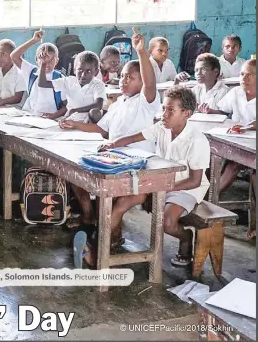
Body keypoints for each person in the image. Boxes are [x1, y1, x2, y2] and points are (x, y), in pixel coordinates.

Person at [75, 86, 210, 268]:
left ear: (186, 113)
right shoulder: (161, 127)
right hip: (159, 181)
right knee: (123, 200)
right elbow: (133, 138)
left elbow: (194, 180)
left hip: (185, 188)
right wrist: (112, 145)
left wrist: (164, 187)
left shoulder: (197, 140)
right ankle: (98, 247)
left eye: (171, 110)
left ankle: (186, 237)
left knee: (167, 222)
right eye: (163, 108)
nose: (164, 114)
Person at [59, 28, 159, 227]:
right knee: (74, 172)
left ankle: (104, 237)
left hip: (135, 162)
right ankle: (89, 216)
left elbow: (150, 83)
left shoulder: (145, 102)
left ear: (141, 82)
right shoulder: (118, 103)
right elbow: (101, 130)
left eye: (130, 77)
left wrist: (140, 51)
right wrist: (74, 124)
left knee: (113, 202)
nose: (123, 80)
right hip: (115, 156)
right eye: (122, 76)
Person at [202, 59, 257, 238]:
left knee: (255, 175)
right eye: (242, 74)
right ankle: (207, 200)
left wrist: (249, 127)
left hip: (252, 144)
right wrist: (211, 112)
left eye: (250, 75)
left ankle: (254, 224)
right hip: (238, 142)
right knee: (231, 165)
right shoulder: (236, 93)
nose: (244, 78)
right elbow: (223, 111)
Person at [10, 29, 66, 119]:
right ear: (36, 59)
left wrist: (53, 116)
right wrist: (34, 40)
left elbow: (66, 106)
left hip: (52, 118)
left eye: (51, 60)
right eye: (42, 58)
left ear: (57, 61)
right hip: (30, 115)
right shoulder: (31, 72)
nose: (46, 62)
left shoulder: (60, 78)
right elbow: (14, 56)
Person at [36, 51, 106, 123]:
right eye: (80, 70)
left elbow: (98, 105)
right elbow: (42, 84)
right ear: (75, 70)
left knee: (95, 112)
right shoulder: (69, 81)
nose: (83, 75)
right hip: (71, 119)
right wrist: (43, 64)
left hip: (88, 121)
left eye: (88, 71)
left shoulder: (98, 84)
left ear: (96, 72)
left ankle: (91, 131)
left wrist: (74, 110)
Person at [0, 39, 27, 107]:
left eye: (3, 54)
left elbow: (18, 97)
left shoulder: (19, 73)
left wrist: (2, 101)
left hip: (13, 109)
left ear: (12, 56)